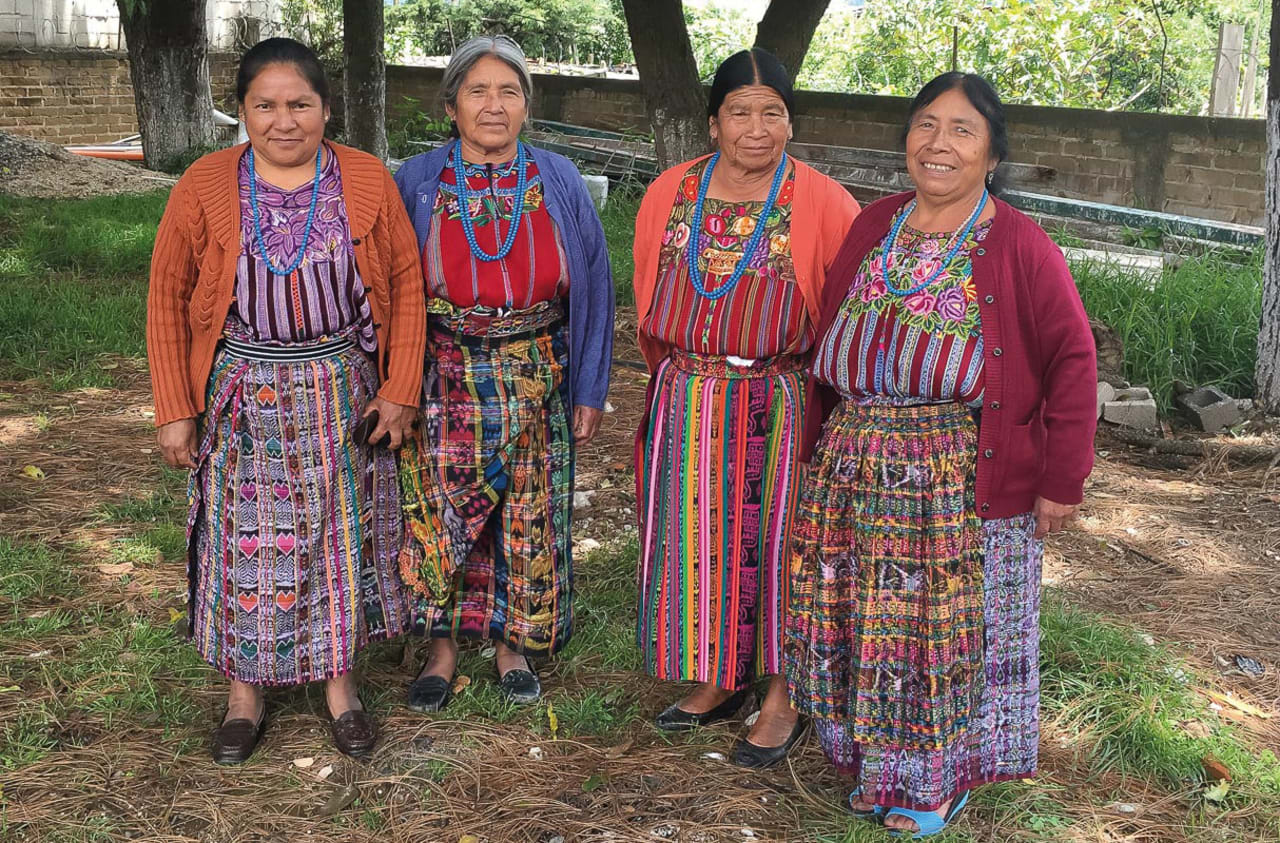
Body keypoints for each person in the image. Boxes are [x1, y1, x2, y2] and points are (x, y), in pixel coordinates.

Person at [785, 72, 1097, 837]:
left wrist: (1062, 478)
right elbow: (832, 328)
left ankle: (933, 785)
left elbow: (1073, 358)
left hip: (951, 477)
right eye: (926, 124)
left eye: (962, 129)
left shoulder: (1017, 241)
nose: (939, 143)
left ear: (993, 153)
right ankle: (873, 767)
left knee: (934, 635)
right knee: (862, 622)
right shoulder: (877, 224)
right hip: (854, 464)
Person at [146, 38, 426, 764]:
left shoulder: (364, 179)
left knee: (341, 540)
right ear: (241, 111)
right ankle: (245, 694)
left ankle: (342, 688)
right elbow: (168, 298)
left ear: (325, 109)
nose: (283, 120)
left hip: (342, 393)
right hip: (244, 395)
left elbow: (405, 288)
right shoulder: (205, 185)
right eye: (264, 105)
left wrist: (399, 390)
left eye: (300, 103)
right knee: (246, 545)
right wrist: (176, 404)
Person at [631, 48, 859, 768]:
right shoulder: (671, 190)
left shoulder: (824, 201)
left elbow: (844, 316)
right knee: (695, 540)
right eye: (739, 111)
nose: (756, 128)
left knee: (786, 546)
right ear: (713, 123)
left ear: (791, 122)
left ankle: (782, 696)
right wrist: (676, 384)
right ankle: (718, 676)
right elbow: (645, 295)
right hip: (688, 395)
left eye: (773, 112)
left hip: (782, 401)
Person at [393, 35, 614, 711]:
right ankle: (441, 646)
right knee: (443, 512)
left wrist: (589, 387)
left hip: (540, 367)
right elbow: (393, 285)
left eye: (509, 91)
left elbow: (596, 284)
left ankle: (514, 641)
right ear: (451, 104)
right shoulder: (418, 180)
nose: (494, 105)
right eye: (478, 91)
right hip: (445, 372)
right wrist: (396, 382)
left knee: (527, 512)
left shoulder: (558, 178)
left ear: (526, 106)